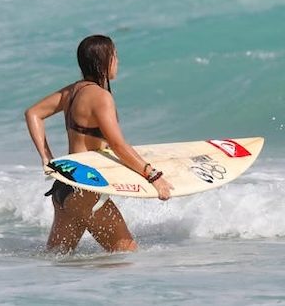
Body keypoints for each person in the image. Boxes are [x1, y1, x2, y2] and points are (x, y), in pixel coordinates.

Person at [24, 35, 173, 254]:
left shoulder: (72, 92)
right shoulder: (101, 97)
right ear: (104, 60)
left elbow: (33, 113)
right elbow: (118, 145)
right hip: (86, 192)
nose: (117, 62)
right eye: (115, 56)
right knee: (126, 256)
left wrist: (46, 157)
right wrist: (153, 177)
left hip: (64, 188)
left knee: (58, 262)